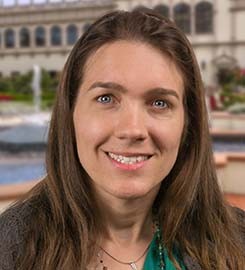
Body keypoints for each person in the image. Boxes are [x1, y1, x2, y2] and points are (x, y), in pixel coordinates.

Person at [0, 10, 244, 270]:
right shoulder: (12, 248)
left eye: (160, 103)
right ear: (70, 112)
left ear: (187, 124)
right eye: (106, 98)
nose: (132, 129)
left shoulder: (236, 241)